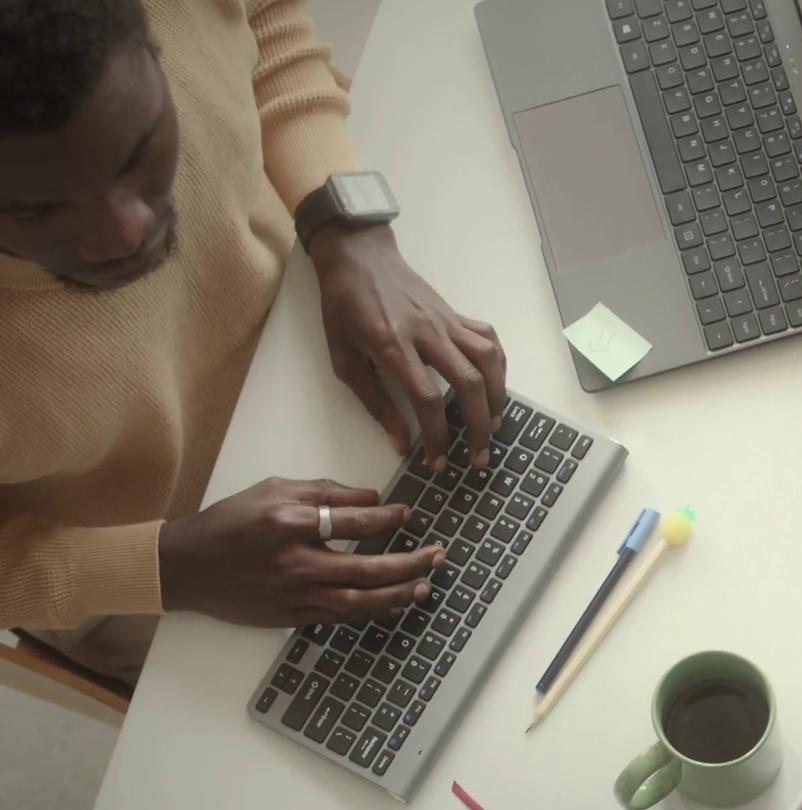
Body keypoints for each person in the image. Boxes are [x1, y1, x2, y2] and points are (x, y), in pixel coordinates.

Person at [0, 0, 506, 686]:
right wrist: (168, 565)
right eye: (35, 209)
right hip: (162, 570)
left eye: (139, 150)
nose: (125, 233)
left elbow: (262, 20)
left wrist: (340, 219)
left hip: (307, 328)